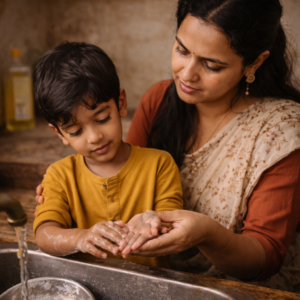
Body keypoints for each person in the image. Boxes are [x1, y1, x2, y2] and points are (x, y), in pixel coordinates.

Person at [35, 0, 300, 293]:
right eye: (182, 50)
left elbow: (265, 258)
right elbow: (123, 175)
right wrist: (72, 189)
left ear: (254, 62)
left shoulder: (281, 132)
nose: (186, 75)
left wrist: (206, 234)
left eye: (211, 64)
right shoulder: (159, 100)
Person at [33, 42, 183, 268]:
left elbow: (170, 220)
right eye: (76, 131)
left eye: (102, 119)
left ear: (121, 104)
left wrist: (154, 222)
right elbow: (45, 234)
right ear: (59, 133)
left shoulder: (159, 164)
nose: (94, 137)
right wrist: (80, 238)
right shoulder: (60, 176)